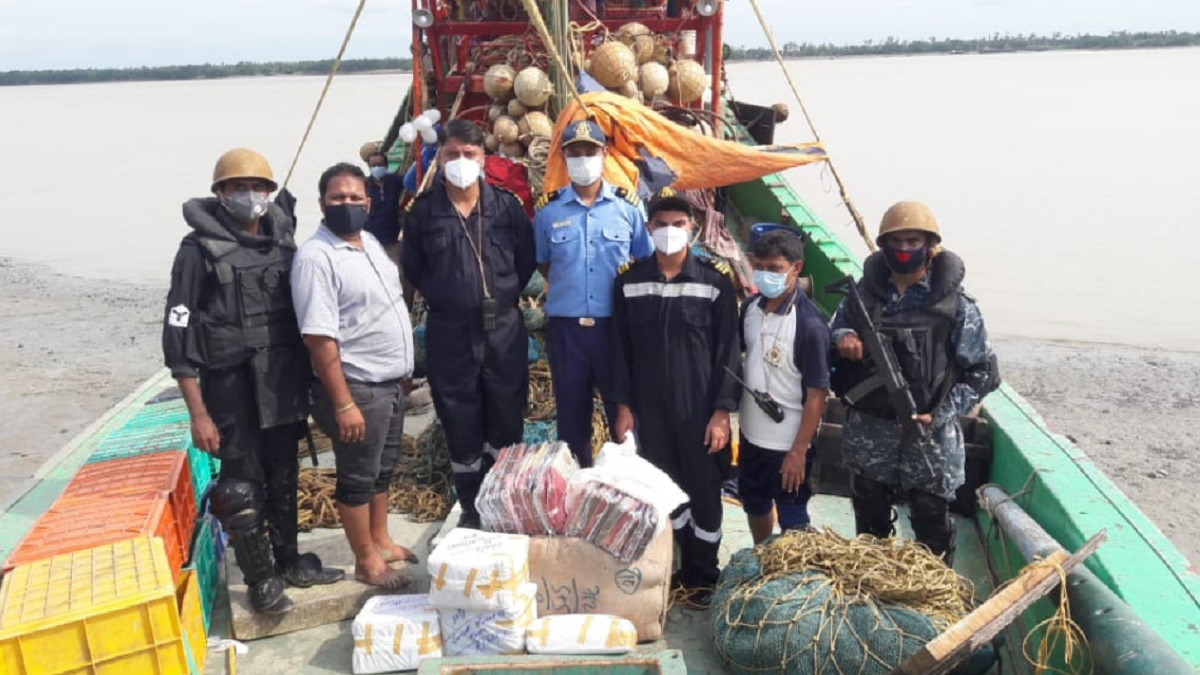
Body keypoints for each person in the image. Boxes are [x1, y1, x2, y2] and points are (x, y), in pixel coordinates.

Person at [162, 148, 342, 615]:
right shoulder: (197, 252)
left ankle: (290, 561)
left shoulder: (283, 237)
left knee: (284, 476)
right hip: (229, 387)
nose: (249, 196)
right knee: (241, 488)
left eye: (258, 187)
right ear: (220, 194)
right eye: (237, 188)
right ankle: (260, 580)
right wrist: (197, 413)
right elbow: (177, 332)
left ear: (269, 191)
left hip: (281, 382)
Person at [830, 201, 997, 564]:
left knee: (930, 515)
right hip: (871, 428)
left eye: (913, 241)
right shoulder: (865, 294)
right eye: (897, 242)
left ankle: (931, 593)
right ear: (883, 246)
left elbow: (982, 372)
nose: (904, 250)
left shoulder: (957, 306)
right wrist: (844, 336)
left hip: (930, 433)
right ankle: (873, 582)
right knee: (869, 510)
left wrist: (940, 414)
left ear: (930, 245)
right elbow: (833, 329)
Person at [402, 120, 537, 529]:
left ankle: (504, 505)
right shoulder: (423, 213)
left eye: (470, 155)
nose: (461, 162)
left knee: (506, 416)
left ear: (484, 159)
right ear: (439, 158)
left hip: (503, 331)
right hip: (450, 332)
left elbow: (525, 259)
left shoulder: (507, 206)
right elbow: (413, 270)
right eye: (452, 154)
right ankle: (472, 509)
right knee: (459, 419)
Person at [610, 189, 740, 606]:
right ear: (649, 228)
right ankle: (678, 564)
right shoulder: (629, 281)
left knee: (703, 491)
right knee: (662, 489)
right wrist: (623, 408)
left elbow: (728, 351)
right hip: (649, 410)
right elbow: (620, 348)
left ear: (694, 229)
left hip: (698, 409)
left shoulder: (715, 281)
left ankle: (703, 576)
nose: (670, 231)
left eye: (678, 225)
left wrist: (722, 413)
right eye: (662, 224)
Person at [292, 162, 418, 589]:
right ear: (322, 204)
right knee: (358, 477)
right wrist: (343, 403)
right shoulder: (316, 258)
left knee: (383, 469)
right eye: (337, 198)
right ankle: (366, 560)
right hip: (358, 387)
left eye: (355, 198)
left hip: (390, 383)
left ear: (368, 202)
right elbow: (319, 338)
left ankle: (380, 539)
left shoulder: (367, 241)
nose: (347, 204)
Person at [533, 120, 652, 468]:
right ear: (564, 158)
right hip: (567, 330)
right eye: (575, 154)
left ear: (604, 154)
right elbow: (543, 263)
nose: (583, 159)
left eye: (590, 152)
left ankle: (629, 489)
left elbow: (643, 260)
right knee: (571, 420)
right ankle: (577, 492)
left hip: (615, 329)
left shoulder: (627, 208)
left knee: (626, 418)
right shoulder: (547, 211)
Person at [738, 231, 830, 544]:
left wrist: (798, 452)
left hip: (787, 443)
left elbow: (817, 394)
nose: (766, 275)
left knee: (792, 514)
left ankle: (791, 573)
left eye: (775, 269)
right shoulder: (749, 309)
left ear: (796, 268)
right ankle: (760, 554)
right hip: (750, 436)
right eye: (759, 267)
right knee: (754, 502)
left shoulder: (810, 325)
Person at [365, 151, 405, 249]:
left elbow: (411, 184)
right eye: (373, 166)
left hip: (393, 238)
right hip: (371, 240)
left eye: (380, 165)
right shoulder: (364, 185)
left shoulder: (395, 181)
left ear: (386, 166)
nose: (376, 168)